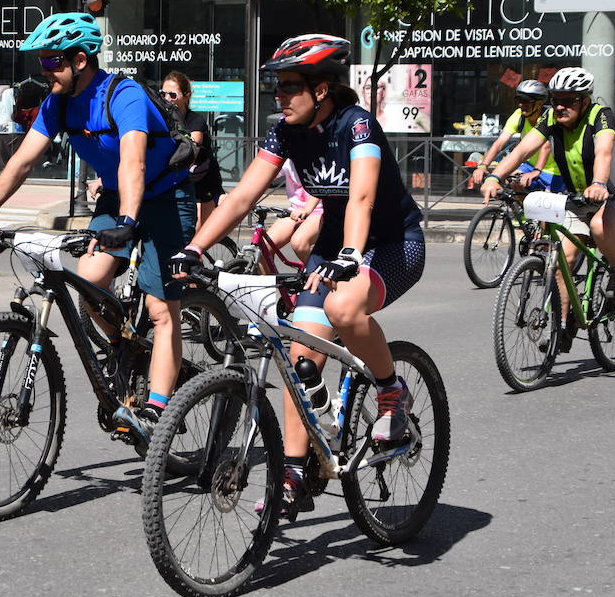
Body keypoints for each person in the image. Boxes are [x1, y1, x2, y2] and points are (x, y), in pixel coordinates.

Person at [172, 33, 425, 518]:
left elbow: (362, 198)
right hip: (336, 247)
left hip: (391, 242)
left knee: (344, 307)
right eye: (277, 88)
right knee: (297, 353)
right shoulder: (286, 132)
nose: (279, 96)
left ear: (322, 89)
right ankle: (294, 471)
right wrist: (195, 247)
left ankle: (392, 389)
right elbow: (243, 196)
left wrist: (351, 253)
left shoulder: (358, 127)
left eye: (289, 86)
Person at [0, 12, 196, 444]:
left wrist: (129, 221)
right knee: (89, 284)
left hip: (165, 195)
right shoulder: (58, 101)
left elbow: (134, 160)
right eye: (43, 60)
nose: (43, 69)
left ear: (81, 59)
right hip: (116, 196)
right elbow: (23, 160)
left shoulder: (123, 94)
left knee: (162, 310)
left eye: (52, 60)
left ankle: (157, 411)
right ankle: (129, 345)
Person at [481, 66, 615, 305]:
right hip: (578, 197)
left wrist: (598, 183)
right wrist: (495, 176)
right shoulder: (551, 118)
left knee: (599, 227)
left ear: (585, 101)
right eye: (556, 100)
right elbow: (523, 149)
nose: (559, 107)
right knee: (561, 264)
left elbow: (604, 153)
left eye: (568, 101)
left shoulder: (600, 115)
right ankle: (564, 330)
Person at [467, 79, 563, 193]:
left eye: (526, 101)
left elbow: (546, 146)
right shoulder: (519, 115)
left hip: (555, 170)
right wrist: (483, 166)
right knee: (511, 181)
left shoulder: (551, 116)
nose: (521, 104)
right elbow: (499, 143)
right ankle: (520, 210)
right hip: (530, 165)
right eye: (519, 100)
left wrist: (537, 170)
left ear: (539, 103)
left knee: (546, 202)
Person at [160, 71, 224, 227]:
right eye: (163, 94)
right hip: (177, 180)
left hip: (203, 180)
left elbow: (190, 155)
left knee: (198, 234)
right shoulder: (161, 120)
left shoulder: (195, 121)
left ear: (186, 95)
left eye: (173, 95)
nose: (167, 99)